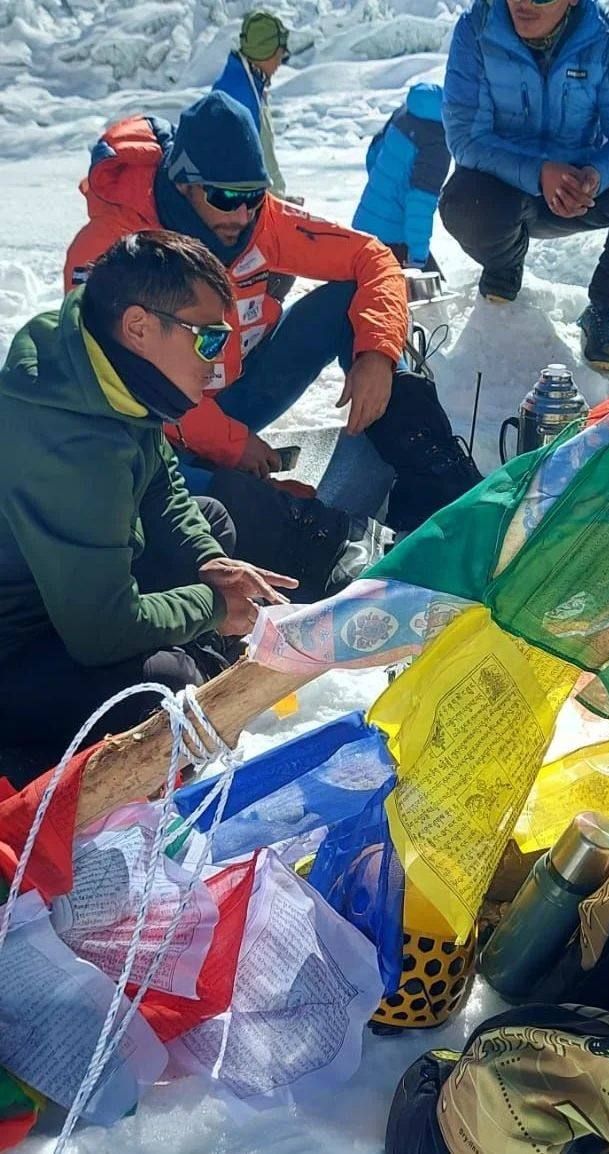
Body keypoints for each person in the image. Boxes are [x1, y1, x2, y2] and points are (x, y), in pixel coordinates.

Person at [65, 90, 481, 532]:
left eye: (253, 195)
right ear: (183, 183)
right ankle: (304, 529)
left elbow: (373, 257)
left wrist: (376, 354)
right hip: (151, 425)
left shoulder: (260, 221)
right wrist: (232, 445)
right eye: (225, 196)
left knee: (348, 304)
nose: (242, 213)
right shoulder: (111, 250)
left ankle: (435, 481)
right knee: (191, 505)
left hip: (230, 392)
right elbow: (123, 382)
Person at [0, 231, 298, 763]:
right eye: (207, 338)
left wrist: (209, 563)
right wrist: (210, 606)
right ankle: (197, 664)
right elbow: (101, 630)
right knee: (163, 690)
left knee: (212, 525)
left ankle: (199, 647)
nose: (217, 358)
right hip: (21, 644)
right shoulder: (72, 446)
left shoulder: (100, 361)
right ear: (139, 326)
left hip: (74, 587)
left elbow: (162, 484)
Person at [438, 0, 609, 374]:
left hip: (579, 189)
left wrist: (595, 174)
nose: (523, 3)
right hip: (504, 189)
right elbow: (467, 137)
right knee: (463, 200)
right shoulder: (477, 31)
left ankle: (606, 314)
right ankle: (504, 264)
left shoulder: (605, 40)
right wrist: (539, 172)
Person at [352, 82, 450, 273]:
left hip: (363, 226)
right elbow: (419, 203)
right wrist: (418, 258)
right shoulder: (437, 142)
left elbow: (373, 154)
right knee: (431, 296)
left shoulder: (404, 112)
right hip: (392, 241)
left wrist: (385, 189)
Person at [213, 10, 290, 196]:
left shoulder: (250, 84)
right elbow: (240, 174)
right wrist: (272, 202)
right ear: (266, 51)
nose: (281, 60)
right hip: (248, 210)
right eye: (280, 52)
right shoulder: (239, 95)